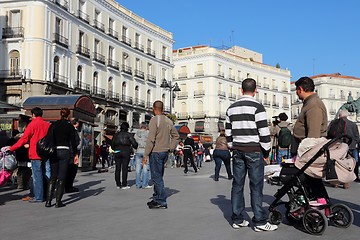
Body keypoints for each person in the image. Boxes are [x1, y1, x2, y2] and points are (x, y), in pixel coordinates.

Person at [226, 78, 277, 232]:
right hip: (254, 150)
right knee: (256, 186)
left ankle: (237, 219)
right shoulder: (258, 107)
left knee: (237, 184)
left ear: (241, 90)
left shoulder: (231, 108)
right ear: (256, 90)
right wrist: (266, 151)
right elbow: (264, 133)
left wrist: (232, 146)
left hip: (237, 150)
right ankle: (260, 221)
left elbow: (228, 133)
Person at [292, 76, 328, 199]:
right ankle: (315, 202)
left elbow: (313, 135)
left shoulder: (314, 105)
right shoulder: (310, 103)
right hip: (304, 148)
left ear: (300, 89)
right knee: (311, 182)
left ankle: (320, 203)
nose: (297, 93)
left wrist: (307, 155)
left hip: (308, 150)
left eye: (297, 90)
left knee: (311, 180)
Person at [143, 100, 179, 209]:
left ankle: (161, 201)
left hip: (156, 152)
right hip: (165, 152)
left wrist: (145, 154)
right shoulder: (168, 121)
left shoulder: (154, 120)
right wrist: (171, 148)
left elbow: (151, 139)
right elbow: (176, 136)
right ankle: (156, 198)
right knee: (159, 176)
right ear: (162, 109)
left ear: (154, 109)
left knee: (156, 177)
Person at [9, 107, 50, 203]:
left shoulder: (32, 124)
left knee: (37, 176)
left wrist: (12, 148)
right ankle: (47, 194)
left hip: (35, 153)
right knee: (46, 174)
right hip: (46, 153)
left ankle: (39, 196)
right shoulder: (47, 125)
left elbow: (24, 138)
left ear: (33, 115)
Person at [45, 108, 78, 208]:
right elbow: (73, 142)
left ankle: (48, 201)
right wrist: (75, 154)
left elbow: (48, 137)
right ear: (68, 116)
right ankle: (58, 201)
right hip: (65, 151)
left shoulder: (53, 125)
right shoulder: (69, 127)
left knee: (53, 177)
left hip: (54, 151)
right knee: (62, 177)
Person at [332, 109, 359, 188]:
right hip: (350, 146)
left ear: (340, 115)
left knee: (337, 163)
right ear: (347, 115)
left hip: (337, 146)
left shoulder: (334, 123)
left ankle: (336, 181)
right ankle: (346, 182)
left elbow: (329, 134)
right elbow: (357, 136)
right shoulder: (353, 124)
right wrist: (352, 144)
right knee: (348, 163)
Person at [111, 122, 138, 189]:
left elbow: (112, 145)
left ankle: (118, 184)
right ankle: (124, 184)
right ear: (127, 128)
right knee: (125, 168)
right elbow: (134, 144)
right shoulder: (129, 135)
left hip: (117, 151)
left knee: (117, 168)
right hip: (126, 151)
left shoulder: (115, 135)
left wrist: (116, 149)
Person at [65, 118, 81, 193]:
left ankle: (66, 186)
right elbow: (75, 142)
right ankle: (68, 186)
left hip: (68, 152)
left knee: (67, 170)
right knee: (72, 170)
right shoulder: (73, 131)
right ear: (76, 123)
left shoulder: (67, 130)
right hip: (73, 153)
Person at [134, 122, 151, 189]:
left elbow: (134, 143)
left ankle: (138, 184)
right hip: (145, 152)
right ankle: (145, 184)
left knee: (138, 169)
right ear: (146, 127)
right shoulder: (148, 133)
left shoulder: (136, 134)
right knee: (145, 168)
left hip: (138, 151)